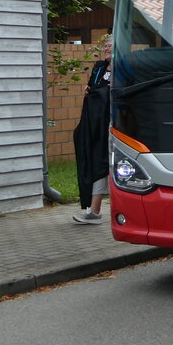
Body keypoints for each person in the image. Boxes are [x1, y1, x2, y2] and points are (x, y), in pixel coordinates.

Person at [72, 35, 112, 225]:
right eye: (105, 46)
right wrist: (92, 90)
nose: (106, 49)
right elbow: (94, 89)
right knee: (98, 163)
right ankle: (94, 210)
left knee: (112, 167)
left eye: (110, 46)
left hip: (116, 126)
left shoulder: (127, 69)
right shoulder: (99, 68)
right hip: (96, 125)